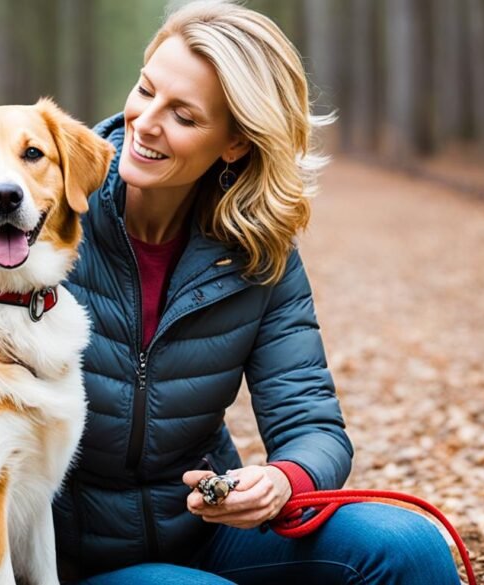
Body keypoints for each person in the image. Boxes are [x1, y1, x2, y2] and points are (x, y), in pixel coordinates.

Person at [54, 2, 461, 583]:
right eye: (145, 91)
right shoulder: (42, 218)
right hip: (69, 558)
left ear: (235, 143)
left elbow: (313, 425)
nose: (145, 122)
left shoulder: (256, 253)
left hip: (206, 535)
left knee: (411, 547)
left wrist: (280, 481)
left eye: (184, 117)